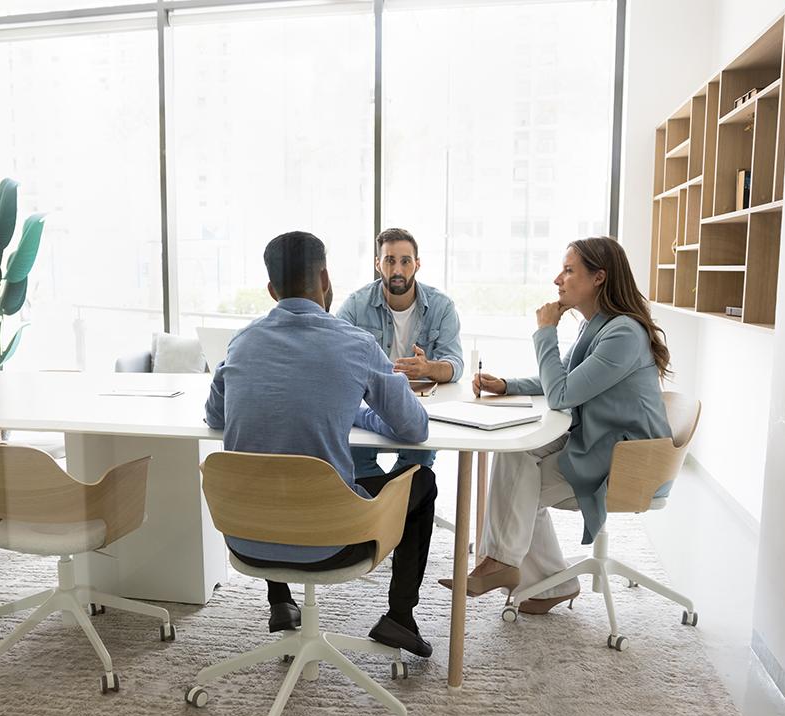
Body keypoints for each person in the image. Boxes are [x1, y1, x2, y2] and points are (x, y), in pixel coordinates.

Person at [204, 231, 437, 657]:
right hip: (333, 540)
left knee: (271, 456)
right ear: (326, 279)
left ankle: (280, 601)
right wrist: (361, 406)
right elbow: (414, 428)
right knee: (421, 478)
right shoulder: (356, 344)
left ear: (272, 290)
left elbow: (216, 417)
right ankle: (399, 617)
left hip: (244, 536)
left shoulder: (240, 344)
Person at [441, 236, 672, 615]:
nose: (557, 279)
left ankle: (509, 565)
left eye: (568, 270)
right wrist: (509, 385)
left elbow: (562, 394)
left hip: (629, 464)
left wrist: (545, 330)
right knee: (517, 455)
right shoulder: (599, 326)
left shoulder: (623, 334)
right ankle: (536, 577)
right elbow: (566, 378)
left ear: (599, 278)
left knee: (520, 486)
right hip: (602, 444)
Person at [336, 227, 463, 479]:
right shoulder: (355, 304)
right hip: (368, 403)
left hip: (416, 405)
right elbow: (334, 354)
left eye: (405, 261)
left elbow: (455, 364)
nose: (397, 270)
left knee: (419, 458)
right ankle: (387, 509)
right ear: (377, 264)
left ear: (417, 264)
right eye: (389, 260)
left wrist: (428, 368)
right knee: (353, 451)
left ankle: (395, 509)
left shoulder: (441, 306)